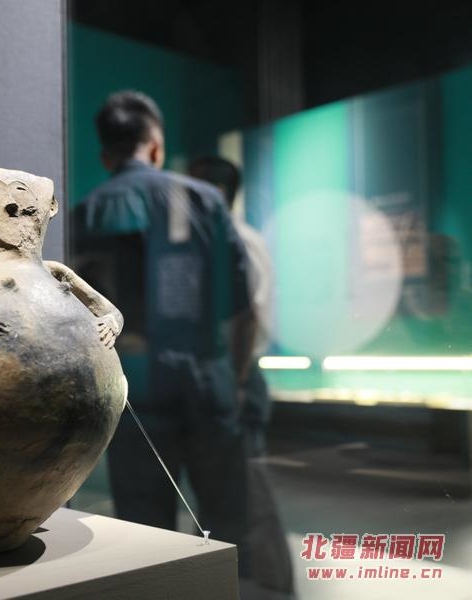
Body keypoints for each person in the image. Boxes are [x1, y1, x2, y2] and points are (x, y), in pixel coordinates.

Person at [72, 91, 255, 564]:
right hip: (209, 379)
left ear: (105, 156)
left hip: (135, 389)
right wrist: (234, 381)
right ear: (155, 146)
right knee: (229, 524)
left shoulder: (87, 212)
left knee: (145, 537)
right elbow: (242, 306)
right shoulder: (206, 199)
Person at [188, 156, 295, 597]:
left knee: (251, 494)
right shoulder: (228, 239)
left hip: (237, 378)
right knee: (229, 496)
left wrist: (232, 382)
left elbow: (246, 318)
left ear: (214, 192)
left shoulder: (236, 242)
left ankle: (275, 588)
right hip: (231, 377)